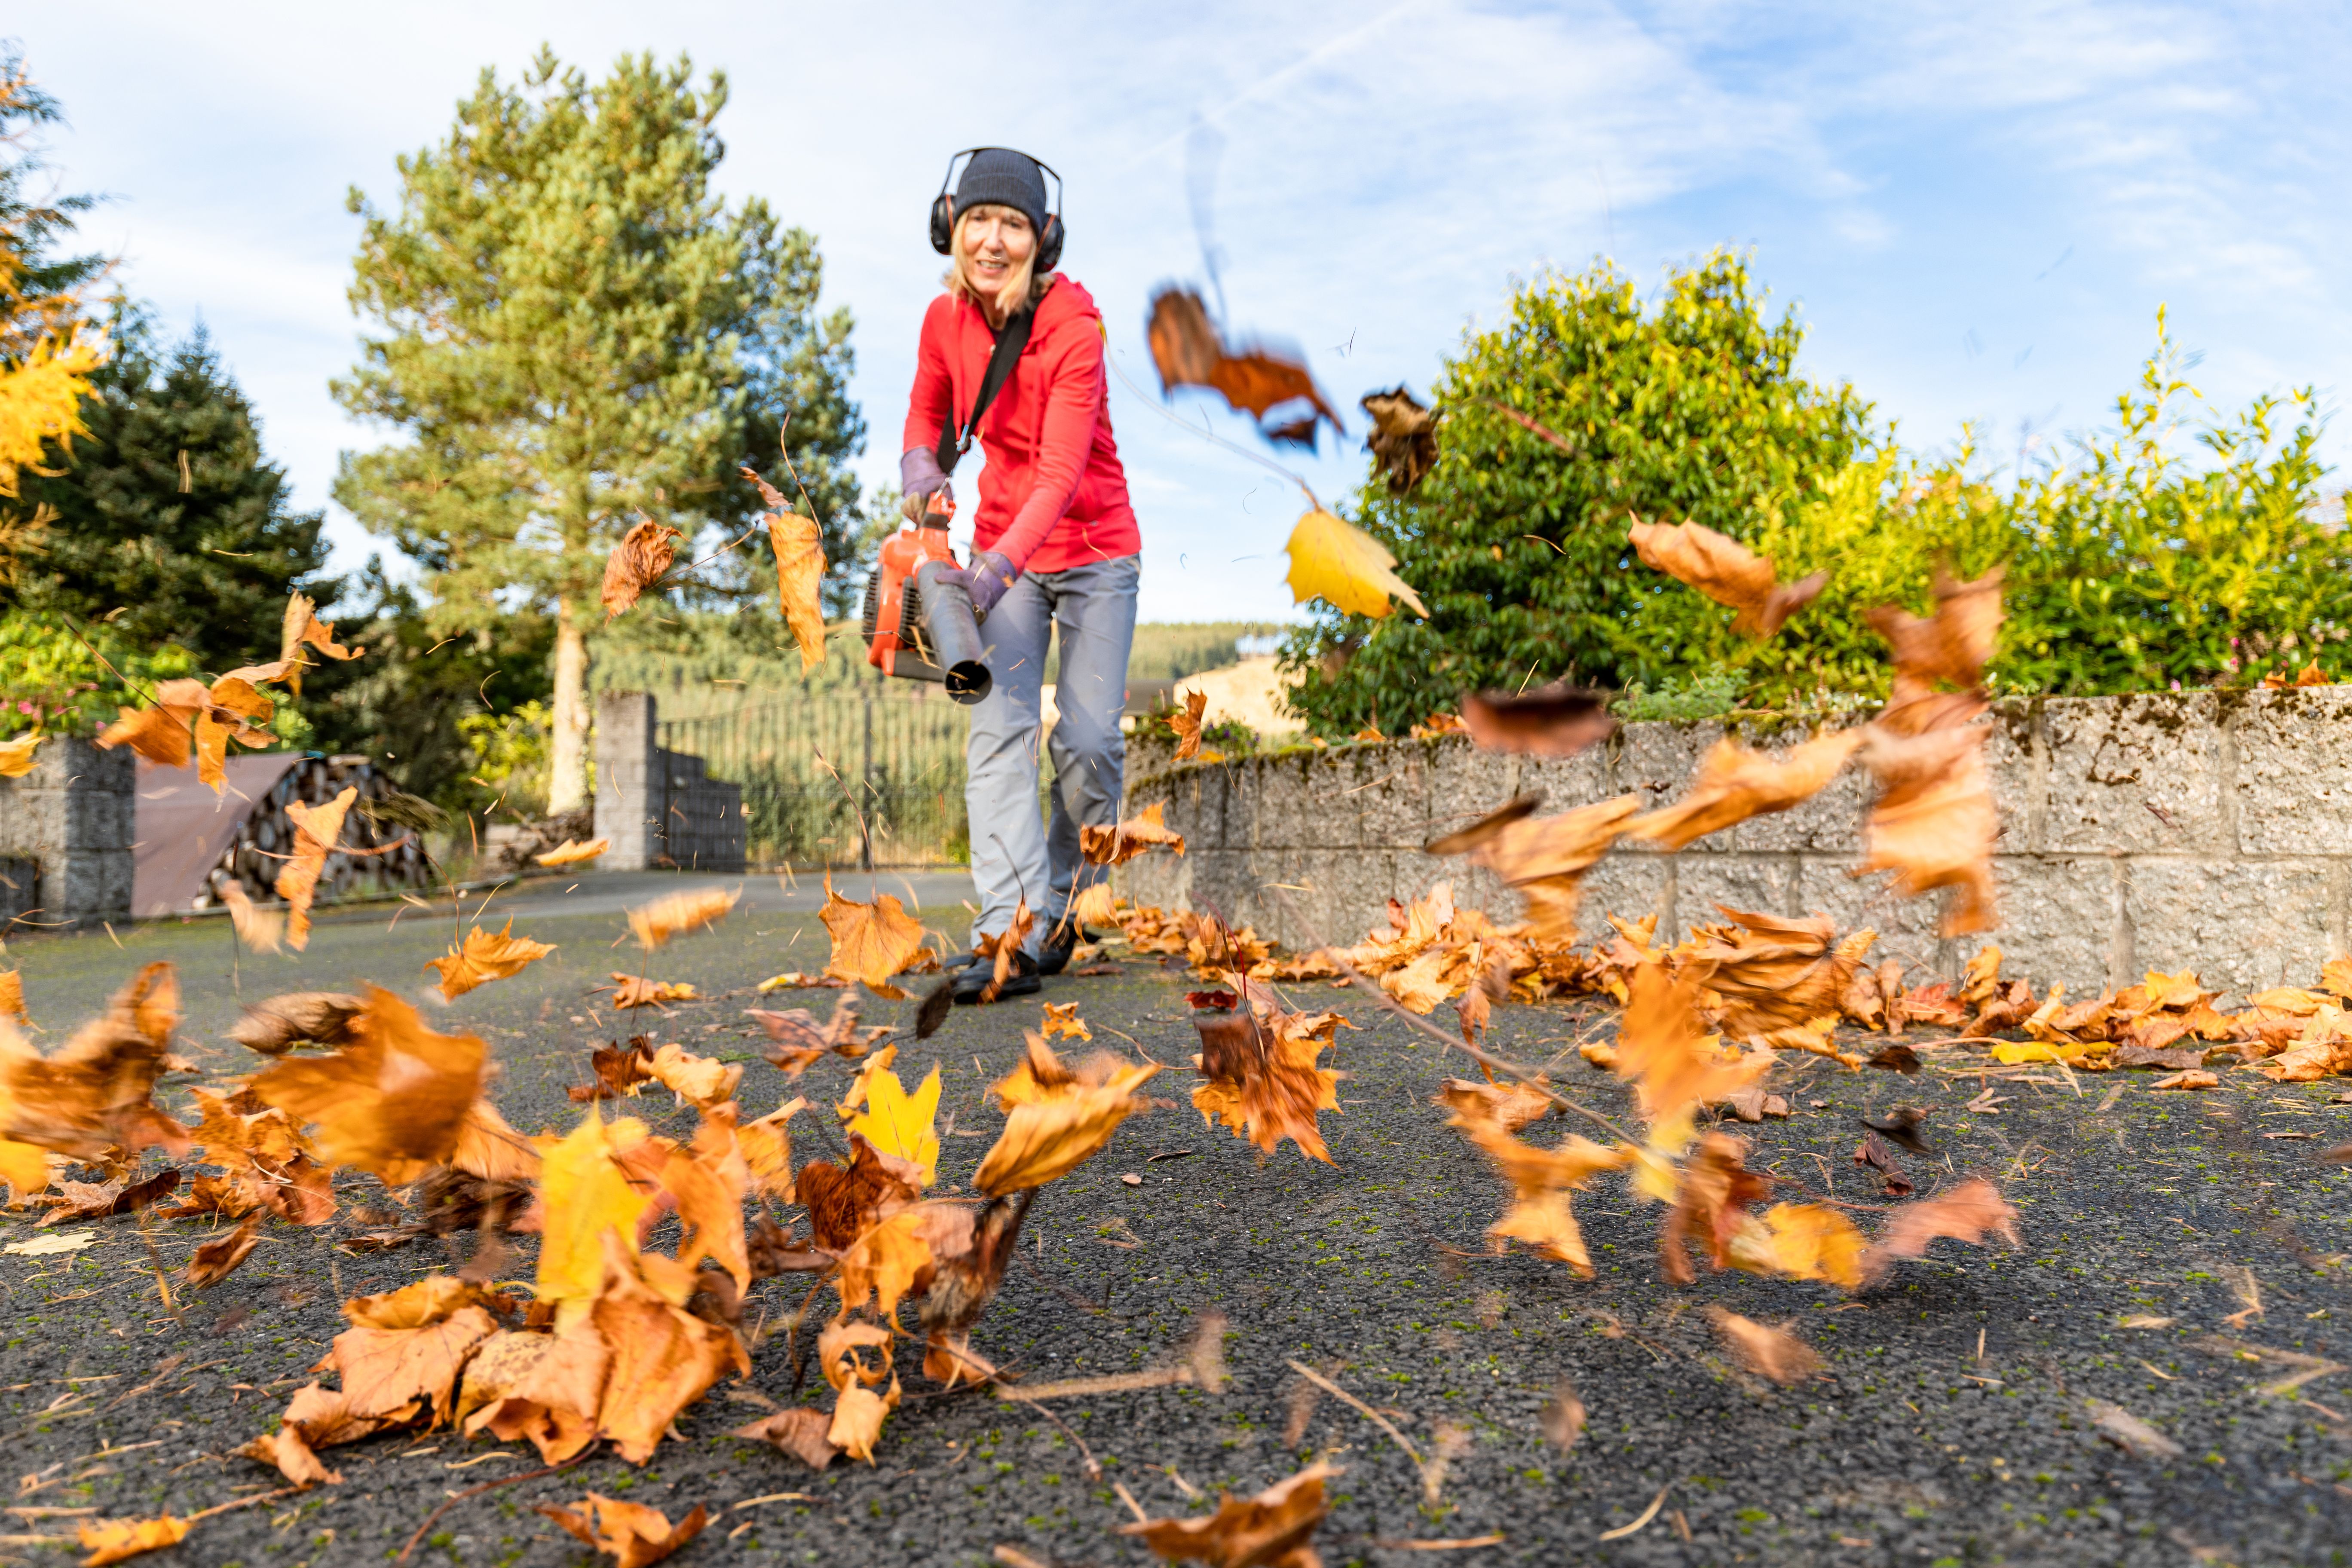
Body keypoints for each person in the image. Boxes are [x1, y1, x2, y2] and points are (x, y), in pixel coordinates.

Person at [900, 147, 1140, 1004]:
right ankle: (1007, 932)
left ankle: (1067, 898)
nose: (991, 240)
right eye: (976, 221)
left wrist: (996, 568)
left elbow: (1061, 474)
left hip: (1093, 551)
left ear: (1043, 237)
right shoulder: (942, 321)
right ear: (951, 228)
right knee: (997, 733)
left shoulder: (1075, 328)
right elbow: (927, 418)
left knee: (1086, 745)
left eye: (1010, 223)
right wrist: (920, 474)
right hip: (1002, 548)